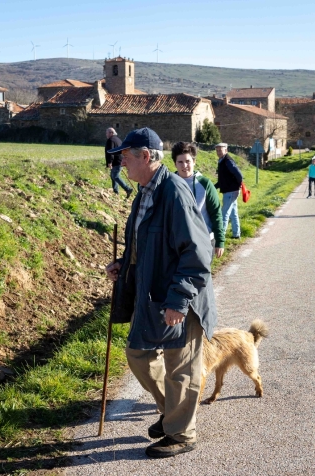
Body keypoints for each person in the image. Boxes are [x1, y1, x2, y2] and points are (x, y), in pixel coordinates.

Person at [104, 128, 217, 459]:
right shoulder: (144, 192)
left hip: (180, 295)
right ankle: (172, 413)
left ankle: (181, 433)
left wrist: (179, 301)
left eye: (126, 157)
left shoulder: (174, 193)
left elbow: (197, 255)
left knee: (180, 366)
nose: (121, 162)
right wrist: (125, 264)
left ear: (146, 157)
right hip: (154, 292)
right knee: (138, 354)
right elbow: (147, 242)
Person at [172, 141, 225, 259]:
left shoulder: (205, 184)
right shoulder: (170, 184)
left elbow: (216, 213)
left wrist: (220, 241)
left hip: (204, 241)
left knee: (201, 277)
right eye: (180, 162)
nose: (184, 166)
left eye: (187, 161)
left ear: (194, 162)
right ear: (175, 163)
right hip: (177, 243)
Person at [213, 143, 243, 239]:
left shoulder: (227, 161)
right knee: (233, 214)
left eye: (220, 150)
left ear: (226, 150)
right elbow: (223, 179)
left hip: (231, 191)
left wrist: (237, 186)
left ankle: (221, 237)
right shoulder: (222, 161)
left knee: (224, 214)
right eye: (217, 150)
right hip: (230, 190)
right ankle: (236, 234)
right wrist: (214, 187)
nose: (218, 152)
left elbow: (239, 175)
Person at [105, 127, 133, 198]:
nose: (106, 134)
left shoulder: (110, 140)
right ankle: (116, 192)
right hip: (120, 160)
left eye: (107, 133)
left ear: (111, 133)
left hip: (116, 161)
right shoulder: (118, 139)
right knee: (113, 176)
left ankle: (128, 189)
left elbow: (110, 152)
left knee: (115, 176)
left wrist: (110, 162)